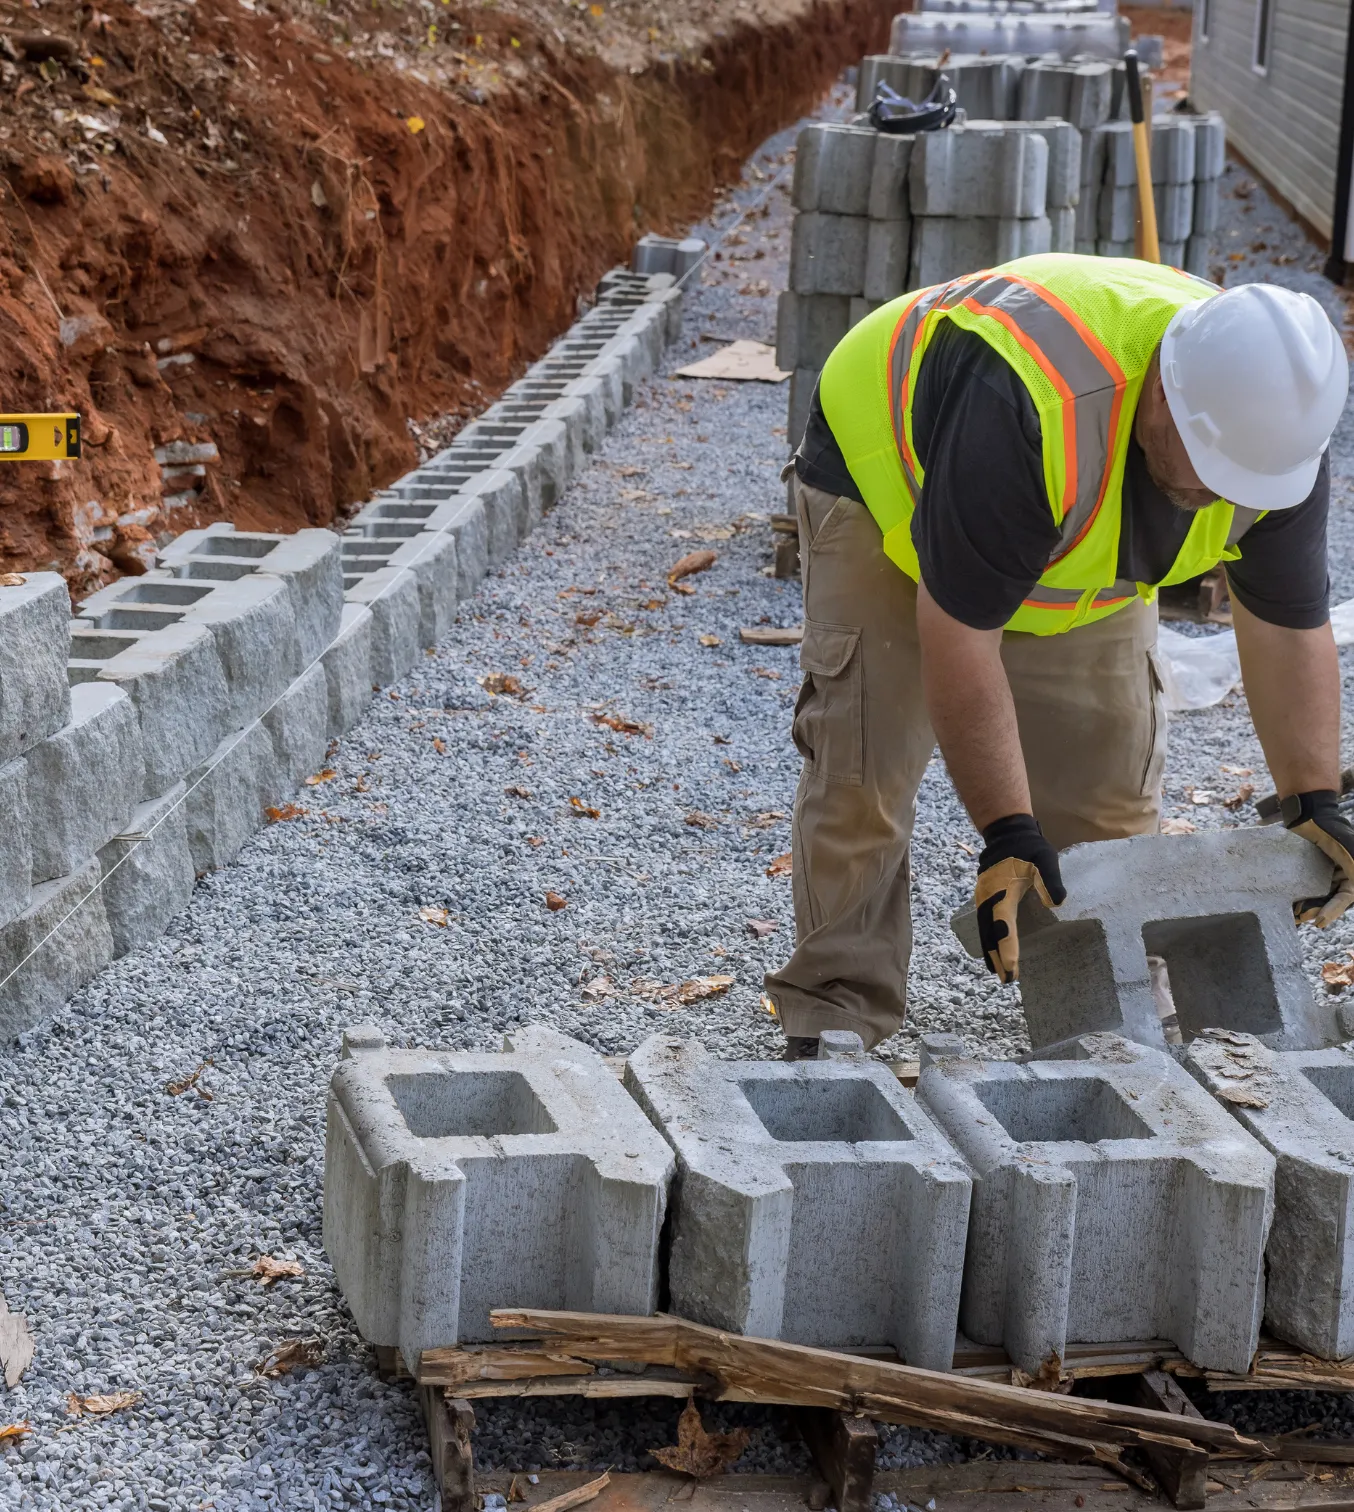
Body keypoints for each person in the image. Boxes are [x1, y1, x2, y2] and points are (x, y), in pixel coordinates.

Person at [763, 252, 1353, 1059]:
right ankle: (835, 1014)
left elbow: (1288, 627)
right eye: (1209, 469)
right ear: (1162, 389)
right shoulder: (1032, 400)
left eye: (1240, 483)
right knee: (866, 766)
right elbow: (961, 633)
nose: (1220, 496)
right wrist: (1006, 831)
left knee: (1108, 815)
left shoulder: (1272, 447)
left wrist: (1314, 801)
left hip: (1071, 533)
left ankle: (1108, 1021)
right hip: (888, 488)